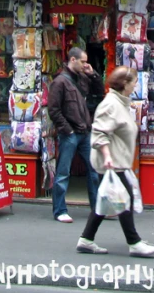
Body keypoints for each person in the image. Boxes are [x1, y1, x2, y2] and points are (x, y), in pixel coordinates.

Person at [76, 66, 154, 258]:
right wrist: (108, 156)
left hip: (117, 160)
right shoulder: (111, 104)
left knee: (106, 200)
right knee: (123, 200)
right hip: (113, 161)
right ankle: (134, 242)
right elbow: (99, 132)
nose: (136, 84)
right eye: (134, 81)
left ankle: (86, 239)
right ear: (125, 84)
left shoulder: (120, 102)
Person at [48, 47, 104, 223]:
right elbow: (53, 110)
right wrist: (68, 129)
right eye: (83, 61)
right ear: (73, 60)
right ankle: (59, 210)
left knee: (94, 171)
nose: (85, 64)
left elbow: (99, 91)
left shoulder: (82, 78)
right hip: (71, 133)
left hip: (84, 131)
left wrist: (93, 73)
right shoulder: (59, 82)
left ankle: (97, 209)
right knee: (63, 172)